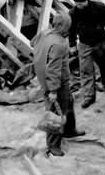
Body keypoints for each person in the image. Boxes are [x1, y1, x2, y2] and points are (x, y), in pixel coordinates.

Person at [33, 9, 82, 156]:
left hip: (44, 78)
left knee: (69, 102)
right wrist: (53, 90)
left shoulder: (44, 34)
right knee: (55, 112)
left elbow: (32, 43)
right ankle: (53, 145)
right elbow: (53, 69)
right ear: (63, 26)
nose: (69, 30)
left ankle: (69, 130)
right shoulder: (59, 44)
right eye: (68, 26)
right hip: (55, 82)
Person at [69, 0, 105, 108]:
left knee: (104, 66)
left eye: (80, 3)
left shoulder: (99, 7)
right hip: (84, 44)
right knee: (85, 70)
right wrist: (72, 45)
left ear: (86, 1)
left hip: (100, 42)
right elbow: (71, 30)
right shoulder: (73, 13)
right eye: (76, 4)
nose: (78, 6)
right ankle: (89, 97)